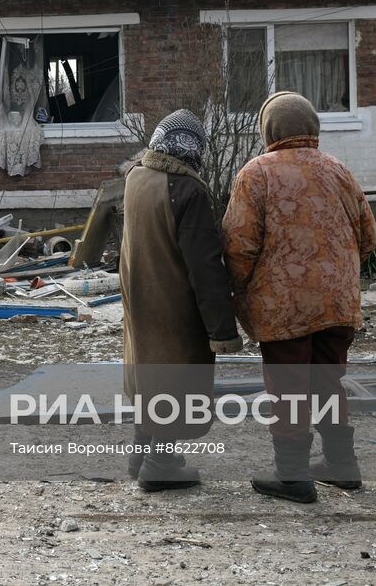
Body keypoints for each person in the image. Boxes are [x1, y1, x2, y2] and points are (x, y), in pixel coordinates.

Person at [222, 92, 376, 504]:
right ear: (312, 127)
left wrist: (239, 291)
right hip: (339, 303)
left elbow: (239, 245)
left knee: (289, 386)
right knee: (328, 381)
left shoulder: (257, 174)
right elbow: (368, 236)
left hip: (284, 306)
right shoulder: (339, 170)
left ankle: (292, 475)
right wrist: (338, 273)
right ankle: (342, 465)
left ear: (269, 129)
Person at [121, 110, 243, 491]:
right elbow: (205, 267)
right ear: (194, 149)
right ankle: (160, 464)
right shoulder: (187, 189)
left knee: (148, 376)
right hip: (174, 303)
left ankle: (143, 453)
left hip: (140, 299)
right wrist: (222, 330)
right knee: (174, 380)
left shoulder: (137, 176)